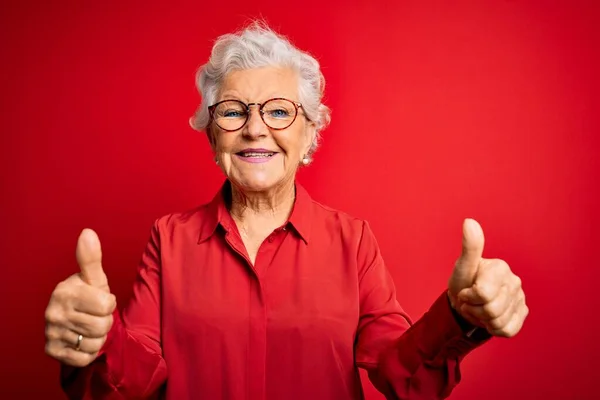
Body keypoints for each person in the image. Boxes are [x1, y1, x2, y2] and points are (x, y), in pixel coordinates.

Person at [44, 21, 528, 400]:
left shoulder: (352, 240)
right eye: (233, 111)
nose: (255, 129)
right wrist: (95, 342)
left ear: (309, 134)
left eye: (278, 112)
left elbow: (401, 378)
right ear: (212, 133)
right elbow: (135, 377)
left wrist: (460, 319)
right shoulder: (167, 239)